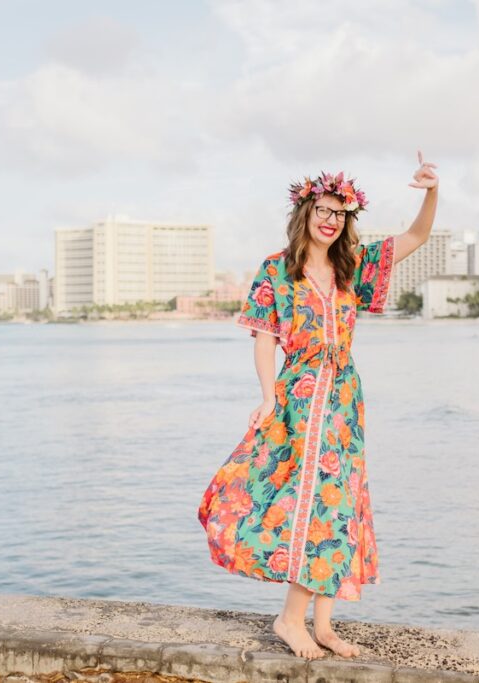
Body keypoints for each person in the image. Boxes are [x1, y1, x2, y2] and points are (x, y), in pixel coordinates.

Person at [198, 152, 439, 659]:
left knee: (341, 502)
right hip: (300, 396)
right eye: (323, 211)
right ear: (305, 213)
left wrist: (432, 192)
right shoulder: (277, 271)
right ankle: (291, 620)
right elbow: (263, 339)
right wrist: (268, 396)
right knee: (308, 502)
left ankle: (323, 625)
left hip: (345, 398)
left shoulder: (352, 268)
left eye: (340, 213)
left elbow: (415, 238)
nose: (331, 221)